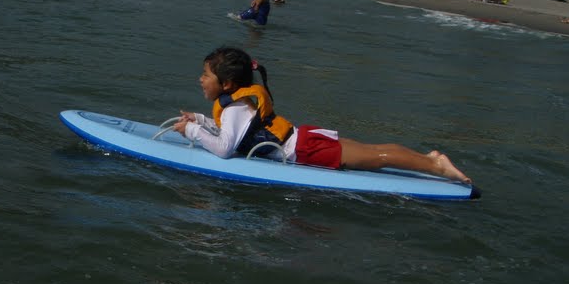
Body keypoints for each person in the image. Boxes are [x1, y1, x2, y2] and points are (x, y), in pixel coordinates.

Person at [172, 47, 472, 184]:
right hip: (305, 139)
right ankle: (428, 158)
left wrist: (193, 132)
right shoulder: (235, 107)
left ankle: (436, 166)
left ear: (227, 84)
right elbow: (238, 132)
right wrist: (201, 120)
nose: (201, 79)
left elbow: (225, 148)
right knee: (375, 151)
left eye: (205, 75)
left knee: (379, 157)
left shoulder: (234, 107)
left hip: (306, 149)